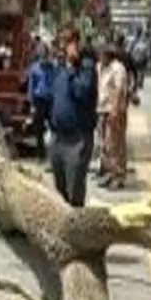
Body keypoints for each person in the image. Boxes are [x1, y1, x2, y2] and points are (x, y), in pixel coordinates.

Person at [47, 24, 97, 207]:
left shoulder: (86, 67)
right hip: (58, 137)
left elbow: (82, 92)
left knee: (74, 189)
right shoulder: (59, 67)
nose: (62, 46)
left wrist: (70, 69)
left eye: (66, 42)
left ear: (75, 43)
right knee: (59, 191)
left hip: (77, 139)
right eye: (60, 41)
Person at [96, 45, 129, 189]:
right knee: (104, 145)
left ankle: (119, 175)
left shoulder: (118, 68)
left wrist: (115, 110)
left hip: (113, 110)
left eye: (102, 55)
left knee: (115, 144)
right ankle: (109, 173)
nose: (100, 58)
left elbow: (119, 89)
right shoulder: (100, 67)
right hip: (102, 109)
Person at [26, 43, 55, 159]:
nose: (43, 55)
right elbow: (31, 86)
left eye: (45, 53)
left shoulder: (52, 68)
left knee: (54, 126)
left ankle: (53, 154)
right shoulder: (34, 68)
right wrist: (32, 104)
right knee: (38, 128)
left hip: (50, 100)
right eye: (41, 52)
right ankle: (40, 154)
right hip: (39, 100)